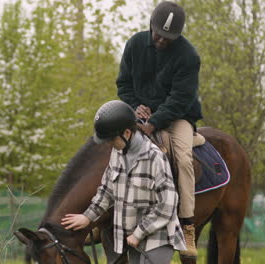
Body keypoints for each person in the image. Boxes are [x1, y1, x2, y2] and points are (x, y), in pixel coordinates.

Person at [115, 1, 202, 258]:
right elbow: (124, 84)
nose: (162, 40)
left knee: (184, 158)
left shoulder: (189, 57)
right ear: (151, 26)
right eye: (158, 34)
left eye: (168, 37)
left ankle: (187, 227)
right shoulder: (134, 44)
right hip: (138, 115)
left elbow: (180, 99)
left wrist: (155, 121)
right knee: (113, 147)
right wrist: (134, 106)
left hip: (178, 117)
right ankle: (105, 215)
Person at [61, 100, 186, 264]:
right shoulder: (117, 153)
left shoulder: (154, 158)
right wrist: (87, 217)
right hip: (132, 238)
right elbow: (106, 191)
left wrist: (139, 233)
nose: (108, 144)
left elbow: (168, 205)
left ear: (127, 133)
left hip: (158, 236)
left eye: (111, 139)